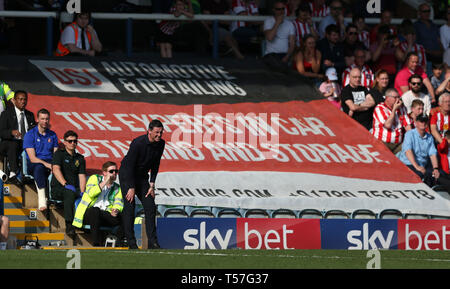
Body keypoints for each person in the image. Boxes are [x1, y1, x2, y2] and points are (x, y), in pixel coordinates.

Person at [119, 119, 165, 250]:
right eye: (156, 132)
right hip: (127, 175)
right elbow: (129, 166)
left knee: (150, 206)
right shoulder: (138, 143)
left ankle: (153, 243)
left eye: (161, 132)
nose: (159, 135)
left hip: (142, 177)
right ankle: (131, 243)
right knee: (129, 205)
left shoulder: (161, 144)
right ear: (149, 131)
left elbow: (156, 164)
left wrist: (152, 185)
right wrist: (131, 187)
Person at [72, 161, 124, 247]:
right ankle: (96, 243)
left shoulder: (117, 187)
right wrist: (105, 182)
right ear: (104, 173)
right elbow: (91, 193)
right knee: (95, 210)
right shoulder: (94, 178)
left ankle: (118, 241)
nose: (114, 173)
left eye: (116, 171)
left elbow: (118, 202)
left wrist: (116, 210)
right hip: (88, 213)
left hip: (105, 214)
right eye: (111, 171)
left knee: (125, 215)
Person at [51, 130, 86, 238]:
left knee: (87, 197)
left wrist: (82, 191)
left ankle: (84, 224)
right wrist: (65, 184)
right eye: (70, 141)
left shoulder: (80, 158)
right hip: (59, 188)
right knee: (69, 193)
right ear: (65, 142)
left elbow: (82, 176)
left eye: (75, 141)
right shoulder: (59, 154)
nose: (72, 143)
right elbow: (56, 169)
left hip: (74, 188)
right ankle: (69, 225)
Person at [23, 108, 59, 212]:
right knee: (39, 168)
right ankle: (42, 200)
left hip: (49, 163)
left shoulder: (53, 135)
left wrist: (55, 165)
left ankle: (57, 200)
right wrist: (48, 165)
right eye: (42, 119)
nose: (45, 121)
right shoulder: (30, 135)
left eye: (47, 119)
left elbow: (56, 154)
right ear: (37, 119)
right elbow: (33, 158)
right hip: (34, 164)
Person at [0, 90, 36, 183]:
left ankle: (30, 175)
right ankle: (13, 173)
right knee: (13, 144)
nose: (23, 101)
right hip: (8, 144)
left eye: (24, 99)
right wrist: (11, 132)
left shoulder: (30, 115)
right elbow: (1, 132)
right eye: (20, 99)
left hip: (25, 144)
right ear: (14, 100)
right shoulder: (6, 114)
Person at [398, 114, 441, 188]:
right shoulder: (409, 134)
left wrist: (435, 168)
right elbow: (408, 151)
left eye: (425, 121)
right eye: (421, 121)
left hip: (422, 166)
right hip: (408, 164)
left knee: (439, 175)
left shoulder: (429, 137)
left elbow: (432, 154)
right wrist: (417, 166)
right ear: (416, 123)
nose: (423, 123)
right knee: (420, 175)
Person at [372, 88, 412, 154]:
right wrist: (394, 110)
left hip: (398, 144)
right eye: (395, 98)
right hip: (383, 143)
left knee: (409, 150)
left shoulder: (402, 108)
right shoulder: (380, 108)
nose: (398, 100)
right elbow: (387, 125)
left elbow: (408, 126)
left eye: (399, 97)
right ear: (387, 98)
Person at [262, 0, 296, 72]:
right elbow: (270, 38)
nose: (281, 11)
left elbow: (292, 44)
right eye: (278, 9)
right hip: (271, 55)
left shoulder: (290, 24)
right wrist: (277, 23)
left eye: (283, 9)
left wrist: (287, 56)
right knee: (278, 66)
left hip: (285, 55)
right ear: (273, 10)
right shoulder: (268, 21)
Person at [413, 2, 444, 70]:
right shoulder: (416, 26)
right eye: (424, 11)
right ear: (419, 13)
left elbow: (438, 40)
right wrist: (430, 52)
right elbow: (415, 44)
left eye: (428, 11)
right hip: (425, 59)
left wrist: (442, 51)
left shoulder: (434, 25)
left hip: (438, 58)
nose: (427, 13)